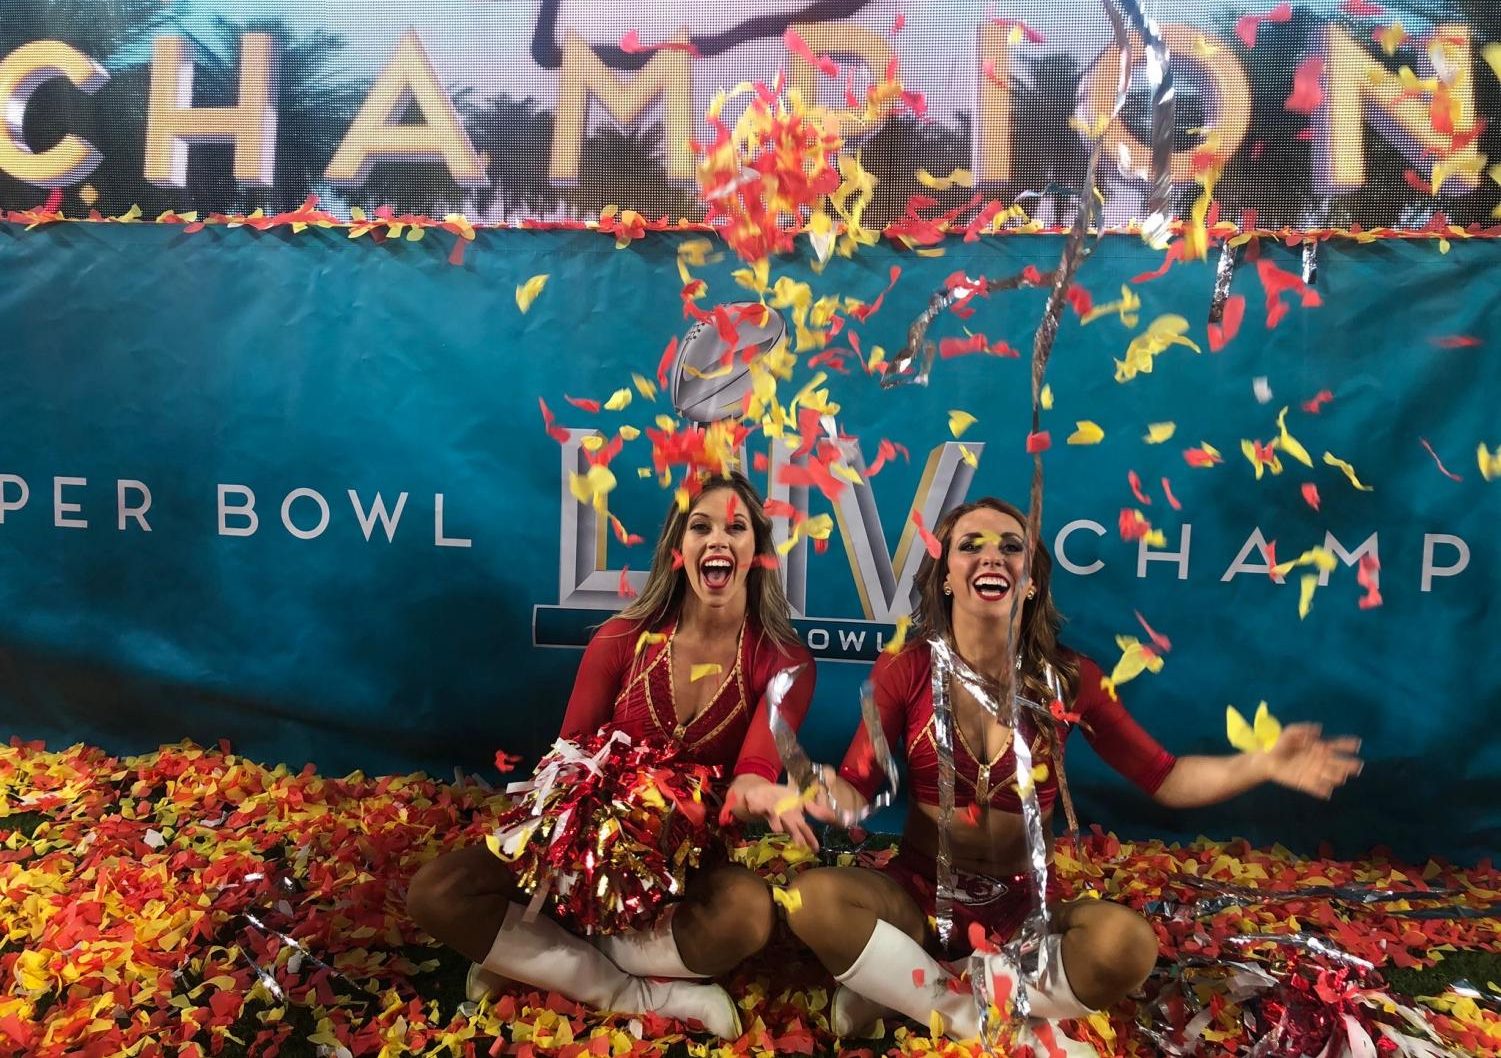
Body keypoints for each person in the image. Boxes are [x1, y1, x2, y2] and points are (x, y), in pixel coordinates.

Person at [783, 498, 1362, 1051]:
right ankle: (974, 1016)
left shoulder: (1069, 678)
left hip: (1019, 916)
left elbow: (1166, 777)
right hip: (917, 899)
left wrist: (1261, 762)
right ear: (945, 577)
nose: (991, 557)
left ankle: (910, 992)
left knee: (1126, 946)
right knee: (810, 900)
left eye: (1012, 547)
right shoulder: (903, 668)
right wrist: (811, 788)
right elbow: (856, 787)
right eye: (970, 546)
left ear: (1030, 580)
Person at [406, 472, 817, 1040]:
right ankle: (627, 990)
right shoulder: (622, 638)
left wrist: (760, 791)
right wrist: (567, 863)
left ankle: (544, 956)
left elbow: (753, 772)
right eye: (701, 526)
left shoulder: (784, 661)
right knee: (437, 893)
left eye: (736, 528)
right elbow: (564, 762)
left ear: (758, 553)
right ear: (680, 548)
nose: (718, 540)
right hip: (583, 856)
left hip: (685, 866)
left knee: (748, 916)